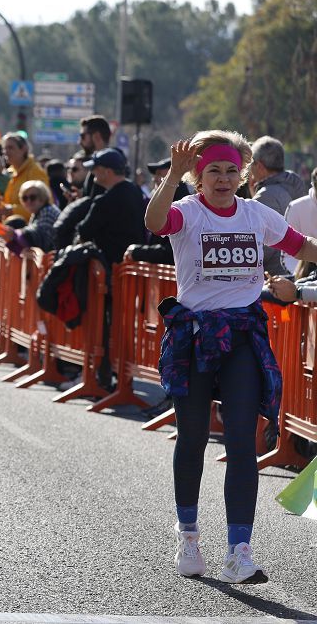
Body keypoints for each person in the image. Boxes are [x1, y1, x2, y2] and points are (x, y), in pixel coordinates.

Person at [145, 131, 317, 584]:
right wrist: (172, 178)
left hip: (242, 334)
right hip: (195, 336)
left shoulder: (256, 213)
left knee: (243, 440)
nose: (221, 179)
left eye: (228, 171)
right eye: (211, 172)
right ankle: (187, 536)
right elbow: (154, 220)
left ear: (242, 175)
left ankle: (240, 550)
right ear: (199, 178)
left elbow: (302, 247)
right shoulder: (187, 212)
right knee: (194, 437)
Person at [249, 136, 307, 275]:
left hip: (276, 279)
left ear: (260, 166)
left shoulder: (265, 195)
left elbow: (261, 249)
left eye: (252, 164)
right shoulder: (297, 185)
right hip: (300, 271)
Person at [0, 132, 50, 221]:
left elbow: (44, 206)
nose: (6, 152)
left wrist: (12, 210)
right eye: (4, 148)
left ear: (23, 149)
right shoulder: (12, 173)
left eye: (10, 148)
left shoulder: (35, 172)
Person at [1, 180, 60, 253]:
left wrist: (15, 234)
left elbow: (40, 239)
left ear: (42, 198)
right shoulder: (37, 212)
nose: (28, 201)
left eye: (32, 197)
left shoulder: (48, 211)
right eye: (24, 198)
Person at [281, 167, 317, 274]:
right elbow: (287, 254)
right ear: (313, 185)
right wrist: (302, 275)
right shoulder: (296, 207)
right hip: (304, 277)